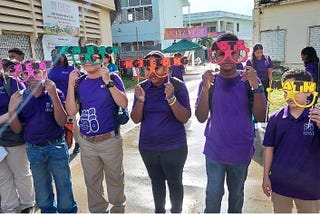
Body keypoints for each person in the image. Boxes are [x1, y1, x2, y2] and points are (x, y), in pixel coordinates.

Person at [195, 33, 266, 213]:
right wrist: (205, 88)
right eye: (221, 53)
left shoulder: (248, 80)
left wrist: (255, 86)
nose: (227, 57)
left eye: (233, 53)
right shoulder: (209, 81)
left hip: (240, 152)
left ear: (239, 54)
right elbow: (201, 117)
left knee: (236, 197)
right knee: (212, 197)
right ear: (215, 56)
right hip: (214, 151)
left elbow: (261, 117)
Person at [8, 60, 77, 213]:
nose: (31, 76)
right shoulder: (19, 98)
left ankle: (67, 211)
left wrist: (53, 96)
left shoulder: (55, 93)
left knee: (63, 184)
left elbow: (61, 121)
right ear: (21, 75)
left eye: (36, 72)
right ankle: (47, 211)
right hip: (34, 149)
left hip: (56, 146)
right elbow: (17, 129)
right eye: (26, 73)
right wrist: (11, 111)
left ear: (44, 73)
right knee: (41, 186)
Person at [66, 48, 128, 213]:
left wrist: (108, 82)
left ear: (101, 60)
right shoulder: (79, 82)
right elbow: (71, 112)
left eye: (92, 57)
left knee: (115, 178)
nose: (87, 60)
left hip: (109, 140)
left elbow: (123, 103)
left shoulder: (112, 77)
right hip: (87, 142)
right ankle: (98, 210)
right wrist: (70, 85)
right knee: (92, 181)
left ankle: (118, 207)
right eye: (83, 57)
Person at [131, 50, 191, 213]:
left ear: (165, 67)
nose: (152, 72)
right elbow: (135, 119)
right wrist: (141, 101)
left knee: (175, 182)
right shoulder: (142, 88)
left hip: (174, 148)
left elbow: (184, 117)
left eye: (156, 67)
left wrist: (171, 99)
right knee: (156, 182)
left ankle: (176, 211)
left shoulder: (177, 85)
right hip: (148, 147)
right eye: (147, 68)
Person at [262, 69, 320, 213]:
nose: (290, 95)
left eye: (297, 89)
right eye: (286, 90)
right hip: (280, 184)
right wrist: (265, 177)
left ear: (309, 91)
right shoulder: (276, 118)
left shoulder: (316, 116)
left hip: (310, 187)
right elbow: (269, 148)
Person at [0, 59, 35, 213]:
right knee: (2, 177)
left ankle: (27, 204)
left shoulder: (12, 82)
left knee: (21, 174)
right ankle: (10, 207)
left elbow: (24, 104)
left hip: (13, 137)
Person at [48, 51, 81, 154]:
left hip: (69, 100)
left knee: (71, 123)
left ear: (63, 57)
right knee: (59, 122)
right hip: (55, 100)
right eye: (53, 54)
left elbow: (79, 82)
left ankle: (78, 143)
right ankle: (63, 143)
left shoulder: (71, 69)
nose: (55, 56)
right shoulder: (50, 70)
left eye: (57, 54)